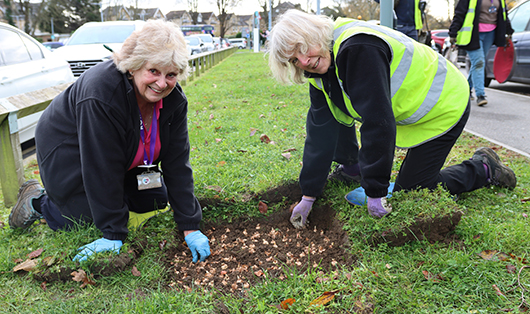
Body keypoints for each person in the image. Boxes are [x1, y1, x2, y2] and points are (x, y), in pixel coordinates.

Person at [267, 9, 517, 228]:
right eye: (293, 60)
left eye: (302, 49)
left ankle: (484, 168)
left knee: (414, 191)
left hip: (444, 104)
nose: (304, 62)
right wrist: (308, 194)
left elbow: (377, 122)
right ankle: (353, 169)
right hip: (410, 110)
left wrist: (374, 190)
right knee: (334, 112)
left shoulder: (358, 48)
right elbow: (320, 133)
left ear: (314, 34)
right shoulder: (320, 73)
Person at [8, 19, 211, 263]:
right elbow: (100, 164)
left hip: (123, 158)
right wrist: (113, 232)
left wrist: (190, 225)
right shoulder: (101, 93)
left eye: (171, 75)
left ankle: (112, 202)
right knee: (85, 217)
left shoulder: (175, 101)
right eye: (154, 71)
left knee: (155, 200)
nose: (161, 84)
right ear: (134, 65)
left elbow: (178, 162)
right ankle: (39, 202)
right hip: (70, 152)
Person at [449, 0, 513, 106]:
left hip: (490, 34)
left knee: (477, 64)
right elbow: (459, 13)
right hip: (472, 35)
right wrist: (453, 32)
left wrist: (508, 31)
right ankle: (480, 95)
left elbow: (504, 14)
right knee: (479, 62)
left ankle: (466, 90)